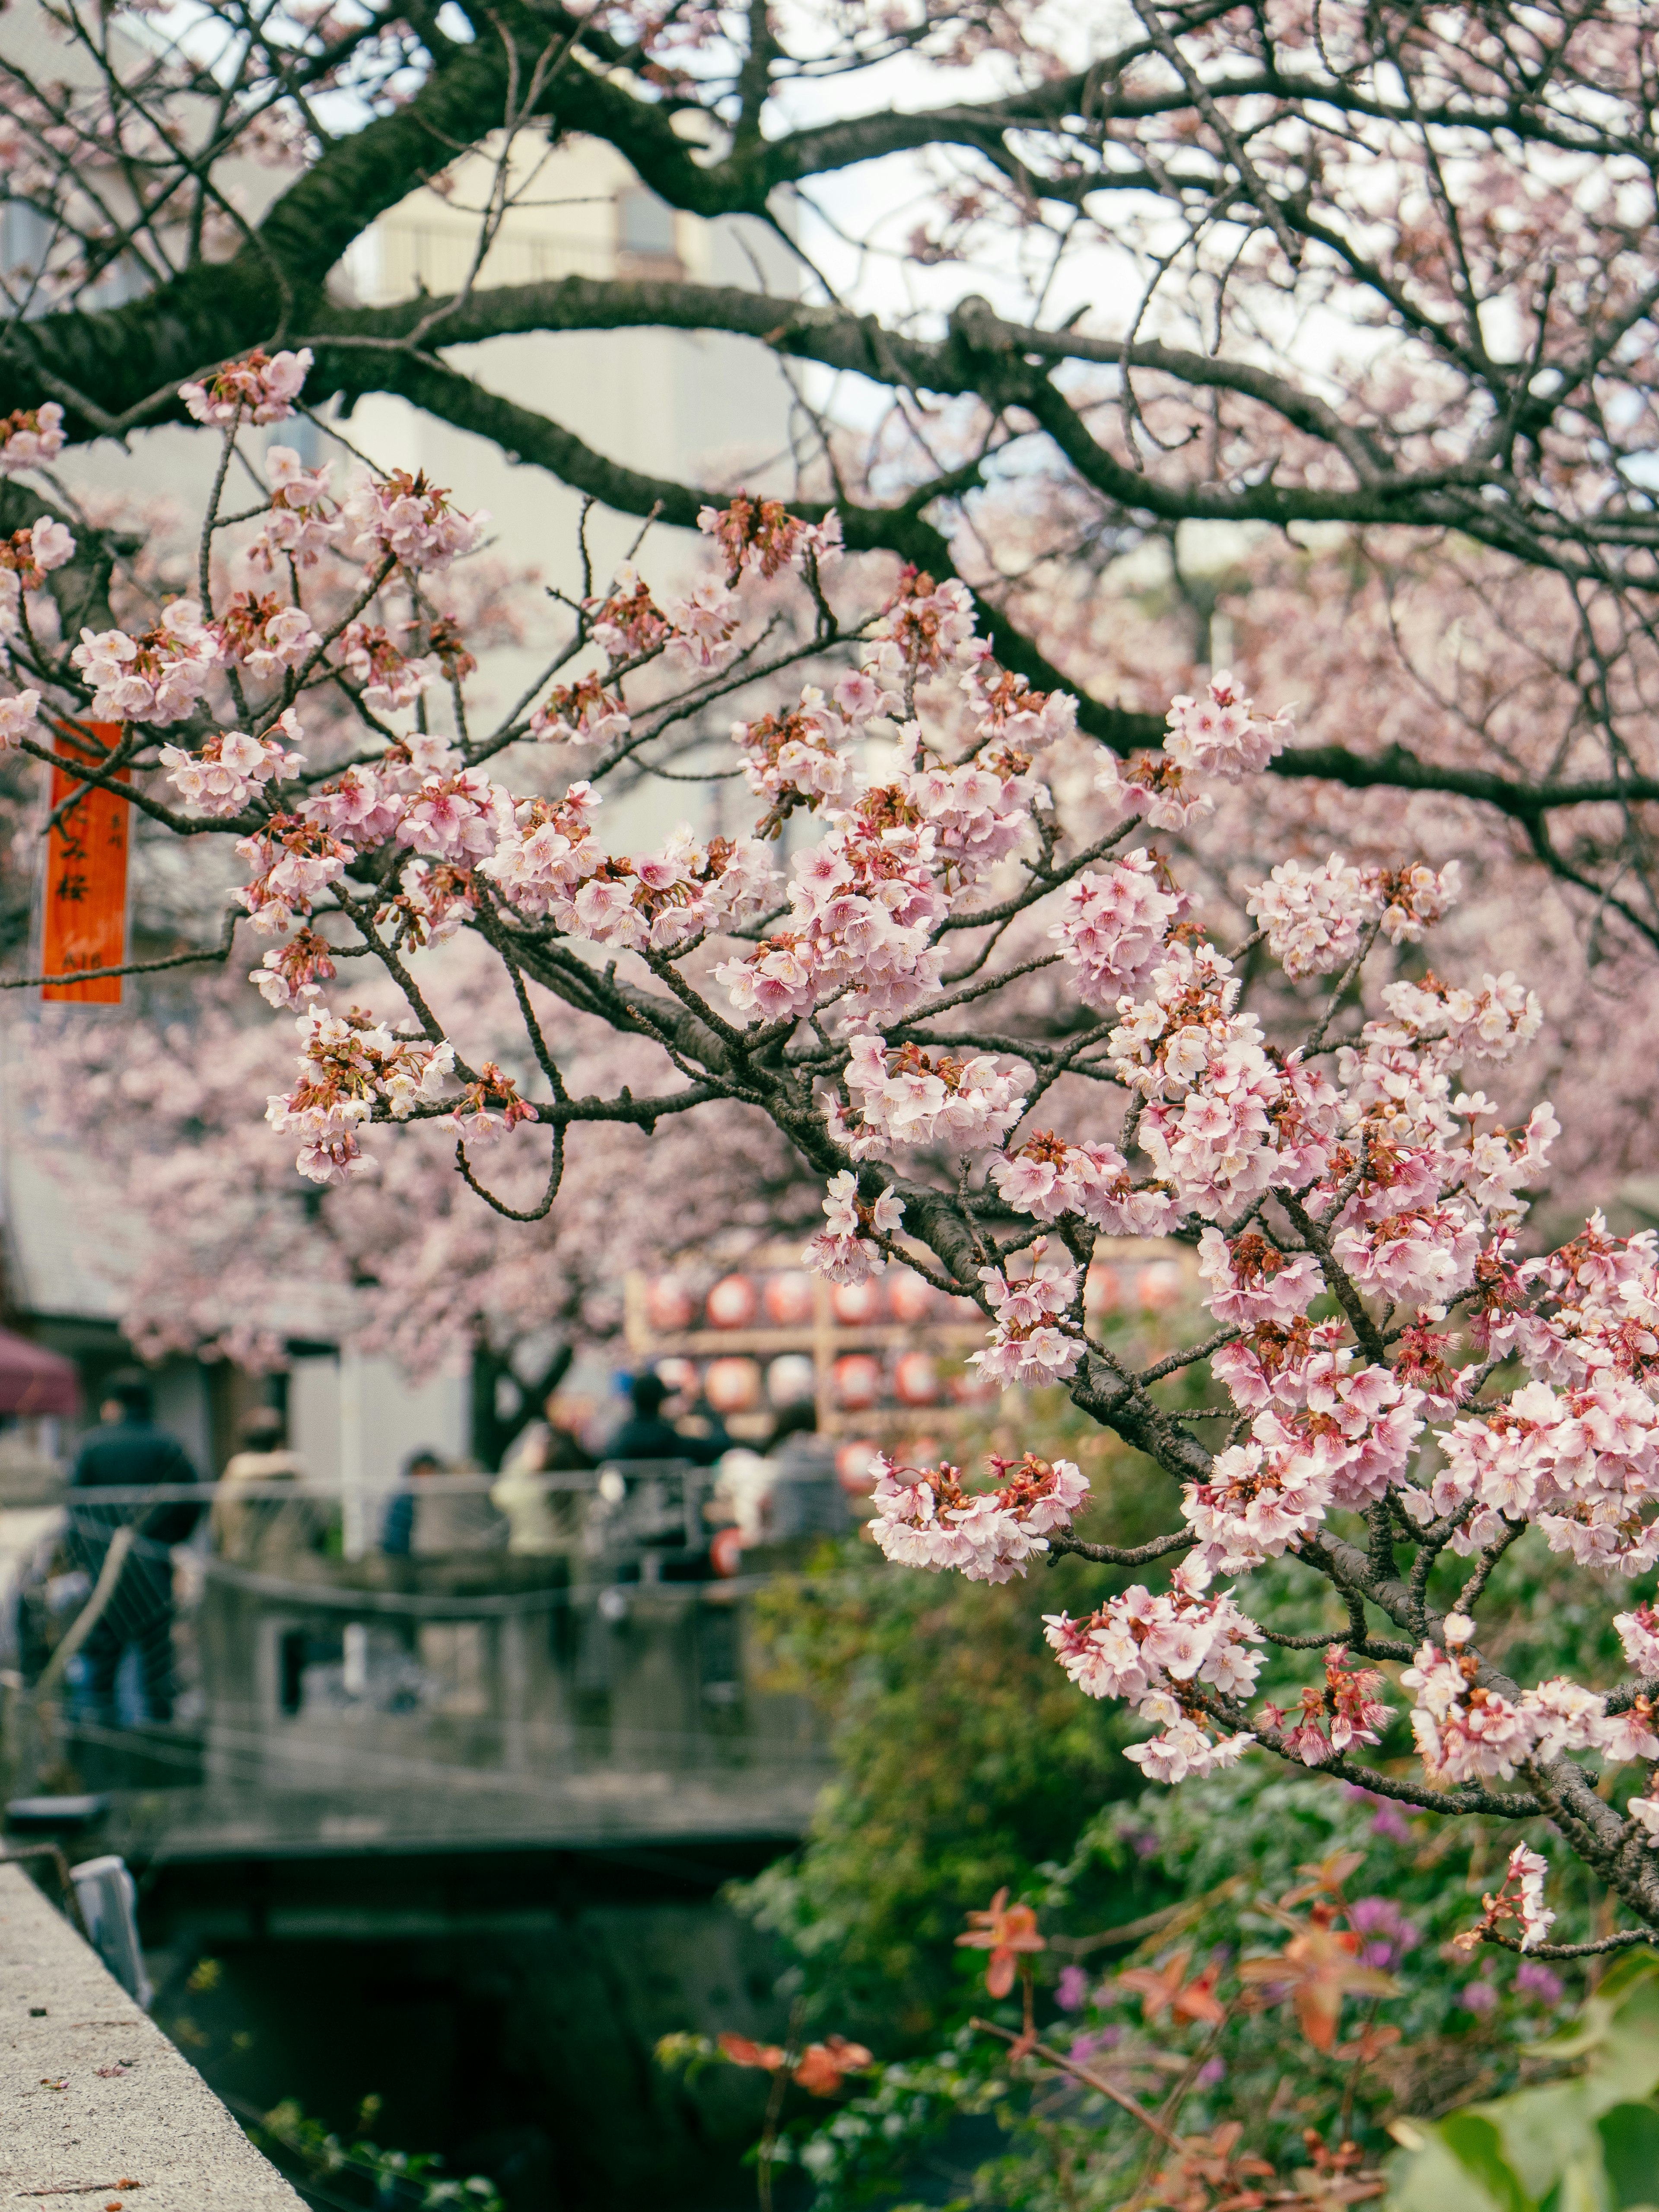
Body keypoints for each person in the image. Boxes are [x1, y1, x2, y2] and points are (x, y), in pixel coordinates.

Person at [67, 1370, 202, 1726]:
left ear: (113, 1405)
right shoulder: (170, 1446)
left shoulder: (91, 1446)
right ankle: (160, 1742)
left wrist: (85, 1557)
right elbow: (194, 1502)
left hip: (104, 1568)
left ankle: (100, 1747)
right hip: (154, 1564)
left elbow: (74, 1511)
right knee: (157, 1661)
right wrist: (170, 1542)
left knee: (102, 1662)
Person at [211, 1407, 329, 1569]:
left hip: (244, 1573)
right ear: (279, 1441)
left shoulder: (232, 1480)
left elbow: (217, 1530)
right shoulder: (296, 1479)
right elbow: (320, 1525)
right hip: (291, 1572)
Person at [603, 1372, 728, 1465]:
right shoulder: (669, 1438)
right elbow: (720, 1445)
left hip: (631, 1501)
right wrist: (703, 1408)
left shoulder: (619, 1440)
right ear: (660, 1402)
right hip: (672, 1500)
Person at [380, 1448, 443, 1555]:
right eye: (422, 1472)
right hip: (404, 1557)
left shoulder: (441, 1499)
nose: (425, 1478)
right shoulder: (403, 1500)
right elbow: (395, 1536)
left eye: (429, 1473)